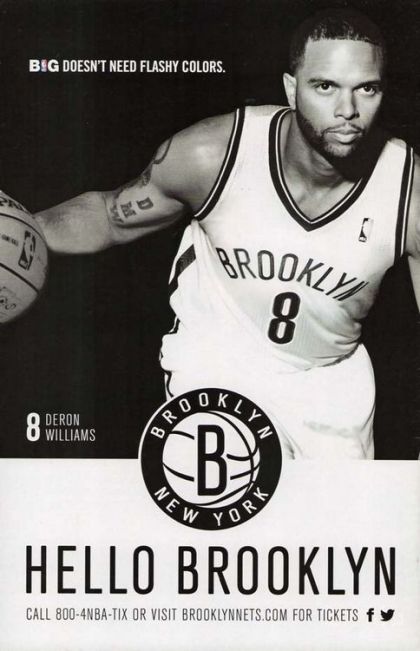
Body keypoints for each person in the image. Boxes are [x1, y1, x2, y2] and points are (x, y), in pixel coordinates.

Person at [35, 9, 420, 459]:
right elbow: (109, 216)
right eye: (325, 86)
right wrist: (26, 230)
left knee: (337, 507)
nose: (347, 110)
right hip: (217, 362)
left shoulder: (408, 192)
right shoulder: (215, 155)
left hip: (330, 385)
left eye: (366, 88)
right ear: (292, 89)